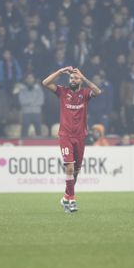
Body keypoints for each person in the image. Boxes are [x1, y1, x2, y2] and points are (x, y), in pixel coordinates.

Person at [42, 66, 102, 213]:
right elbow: (45, 83)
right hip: (65, 135)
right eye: (71, 78)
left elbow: (98, 91)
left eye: (75, 78)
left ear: (80, 80)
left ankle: (65, 197)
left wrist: (84, 76)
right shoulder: (63, 92)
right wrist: (60, 71)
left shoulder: (85, 93)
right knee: (69, 167)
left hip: (80, 136)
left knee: (75, 171)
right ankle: (72, 199)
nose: (72, 80)